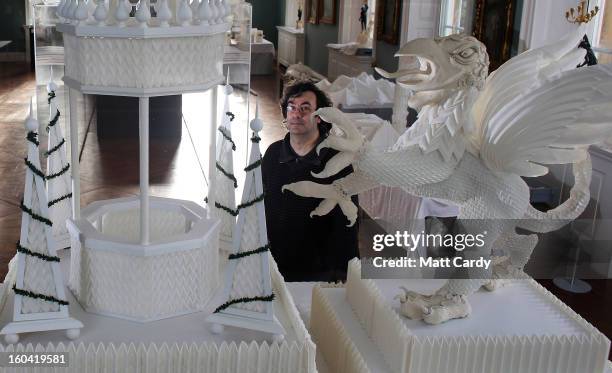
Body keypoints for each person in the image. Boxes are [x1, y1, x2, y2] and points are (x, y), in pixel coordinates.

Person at [262, 81, 359, 282]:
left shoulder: (337, 161)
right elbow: (261, 206)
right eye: (292, 108)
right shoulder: (272, 154)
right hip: (277, 264)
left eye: (305, 109)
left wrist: (344, 274)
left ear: (320, 118)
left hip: (320, 270)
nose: (296, 114)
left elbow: (348, 224)